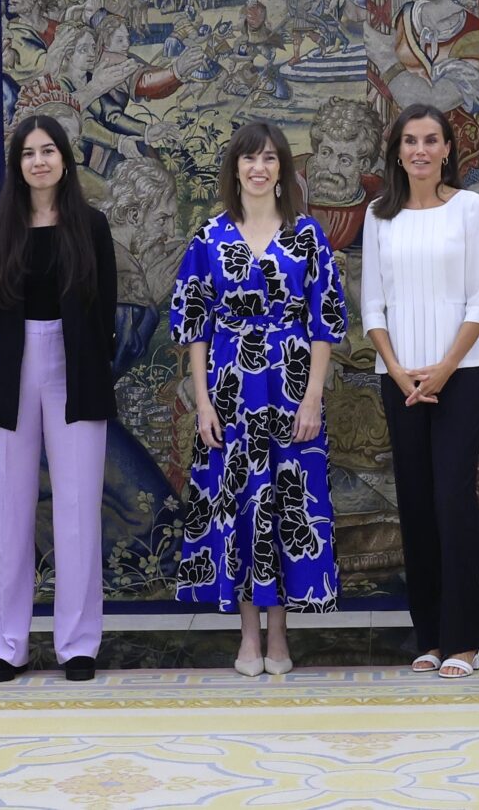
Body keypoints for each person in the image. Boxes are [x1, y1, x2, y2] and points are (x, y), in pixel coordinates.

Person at [170, 121, 348, 675]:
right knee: (240, 508)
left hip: (291, 388)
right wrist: (203, 404)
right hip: (229, 392)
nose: (259, 168)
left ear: (282, 169)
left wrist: (313, 398)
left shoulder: (307, 236)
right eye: (249, 158)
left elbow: (325, 323)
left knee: (286, 507)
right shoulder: (210, 237)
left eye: (269, 158)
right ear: (235, 168)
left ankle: (279, 636)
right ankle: (248, 636)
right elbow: (194, 327)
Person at [0, 116, 116, 683]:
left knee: (78, 509)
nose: (39, 161)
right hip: (12, 368)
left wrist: (84, 360)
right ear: (17, 165)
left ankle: (77, 644)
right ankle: (6, 644)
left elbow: (105, 308)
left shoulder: (92, 226)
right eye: (29, 153)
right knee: (9, 514)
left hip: (76, 368)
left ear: (64, 159)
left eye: (49, 150)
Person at [361, 104, 479, 678]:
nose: (420, 150)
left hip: (459, 375)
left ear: (447, 149)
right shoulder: (379, 215)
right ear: (397, 151)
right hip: (399, 378)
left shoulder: (469, 207)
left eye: (431, 140)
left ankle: (465, 641)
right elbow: (373, 305)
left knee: (453, 502)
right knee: (415, 504)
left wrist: (442, 370)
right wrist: (397, 370)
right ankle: (431, 637)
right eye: (410, 140)